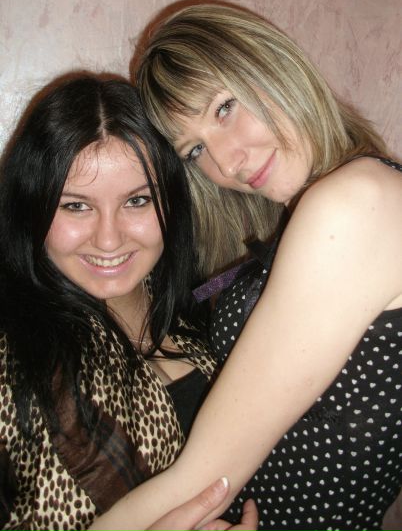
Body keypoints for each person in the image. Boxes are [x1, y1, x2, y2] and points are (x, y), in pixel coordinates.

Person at [90, 3, 402, 531]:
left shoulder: (355, 203)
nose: (227, 163)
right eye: (195, 150)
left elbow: (205, 476)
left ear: (271, 62)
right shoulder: (333, 202)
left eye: (225, 107)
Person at [0, 73, 257, 531]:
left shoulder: (204, 315)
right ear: (33, 206)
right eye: (76, 206)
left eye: (137, 201)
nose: (108, 238)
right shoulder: (13, 359)